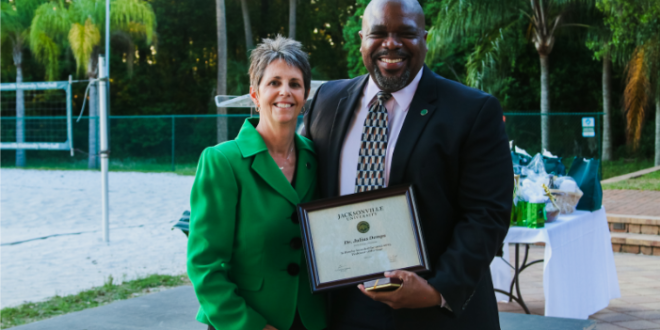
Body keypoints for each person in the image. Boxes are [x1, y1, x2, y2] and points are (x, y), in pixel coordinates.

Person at [302, 0, 513, 329]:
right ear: (361, 38)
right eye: (379, 33)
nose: (391, 43)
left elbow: (487, 214)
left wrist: (436, 290)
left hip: (431, 312)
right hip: (342, 306)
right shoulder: (327, 101)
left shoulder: (472, 111)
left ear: (425, 38)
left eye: (406, 33)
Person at [187, 35, 326, 330]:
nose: (284, 92)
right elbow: (204, 264)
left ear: (305, 95)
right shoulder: (222, 162)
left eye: (294, 83)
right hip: (245, 321)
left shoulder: (316, 157)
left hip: (311, 319)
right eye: (274, 82)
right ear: (254, 95)